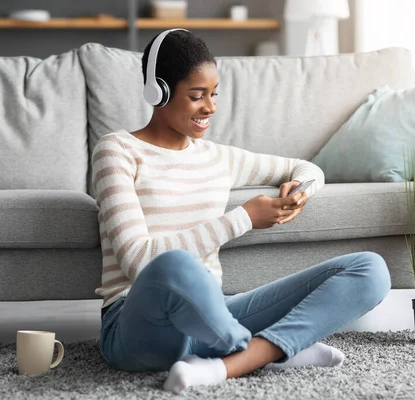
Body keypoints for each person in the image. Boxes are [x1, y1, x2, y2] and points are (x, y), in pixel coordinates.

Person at [92, 29, 391, 394]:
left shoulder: (220, 158)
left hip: (214, 318)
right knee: (177, 264)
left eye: (214, 94)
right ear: (159, 92)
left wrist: (300, 190)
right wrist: (244, 217)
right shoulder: (117, 151)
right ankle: (269, 351)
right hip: (136, 328)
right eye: (197, 96)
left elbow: (308, 169)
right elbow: (138, 261)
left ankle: (224, 365)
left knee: (369, 269)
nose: (211, 107)